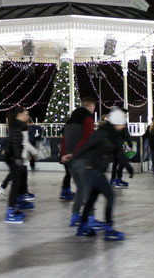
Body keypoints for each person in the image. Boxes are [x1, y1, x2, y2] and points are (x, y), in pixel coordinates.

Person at [63, 106, 134, 241]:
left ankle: (83, 227)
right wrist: (73, 159)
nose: (124, 126)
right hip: (92, 170)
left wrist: (128, 167)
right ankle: (109, 230)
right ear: (116, 123)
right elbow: (86, 146)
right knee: (110, 197)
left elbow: (118, 152)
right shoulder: (102, 134)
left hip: (97, 170)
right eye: (122, 123)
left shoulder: (114, 135)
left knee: (91, 199)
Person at [60, 97, 97, 226]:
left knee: (81, 188)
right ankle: (90, 217)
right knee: (88, 188)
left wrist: (64, 155)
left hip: (69, 161)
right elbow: (87, 137)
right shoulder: (87, 118)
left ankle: (75, 215)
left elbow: (64, 139)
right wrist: (76, 153)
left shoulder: (70, 120)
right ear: (91, 107)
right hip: (81, 158)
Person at [3, 107, 31, 223]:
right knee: (16, 183)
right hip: (12, 157)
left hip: (13, 156)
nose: (27, 116)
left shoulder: (18, 125)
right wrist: (18, 158)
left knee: (18, 181)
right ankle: (10, 211)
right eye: (26, 114)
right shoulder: (15, 125)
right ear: (19, 114)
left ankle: (14, 205)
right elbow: (15, 142)